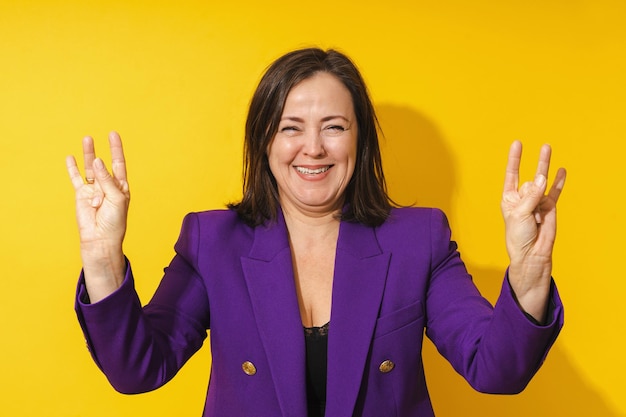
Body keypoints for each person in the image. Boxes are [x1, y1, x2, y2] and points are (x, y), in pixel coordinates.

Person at [66, 48, 566, 417]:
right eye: (290, 127)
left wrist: (530, 270)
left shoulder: (419, 240)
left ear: (359, 140)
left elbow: (496, 372)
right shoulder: (212, 240)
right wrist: (102, 256)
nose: (313, 148)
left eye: (334, 127)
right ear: (263, 141)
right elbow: (138, 371)